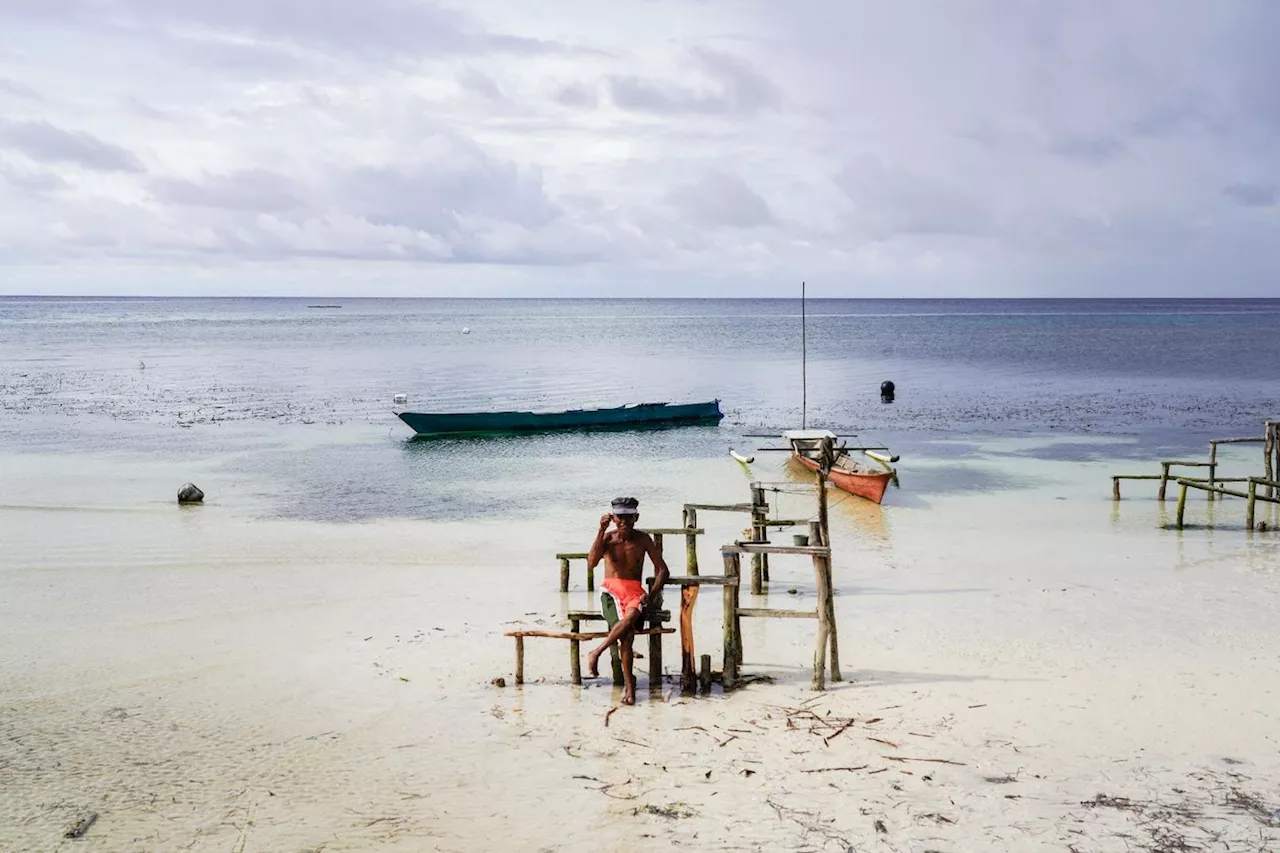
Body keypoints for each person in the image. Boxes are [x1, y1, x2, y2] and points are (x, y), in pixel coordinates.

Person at [585, 497, 670, 704]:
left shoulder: (643, 539)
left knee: (631, 617)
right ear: (613, 518)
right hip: (611, 591)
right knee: (627, 633)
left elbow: (662, 570)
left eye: (629, 518)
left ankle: (597, 650)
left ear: (636, 517)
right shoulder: (607, 538)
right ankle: (629, 688)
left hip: (634, 592)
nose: (624, 522)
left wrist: (651, 596)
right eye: (620, 517)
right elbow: (592, 562)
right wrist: (600, 531)